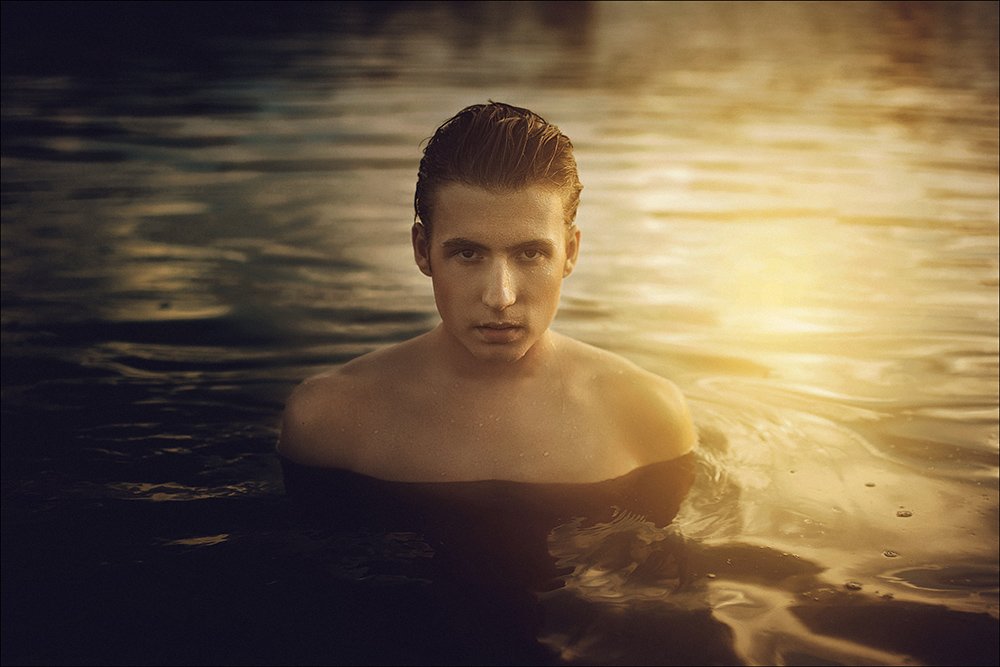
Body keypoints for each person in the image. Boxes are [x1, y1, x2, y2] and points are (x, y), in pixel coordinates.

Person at [277, 101, 696, 484]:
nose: (500, 297)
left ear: (570, 252)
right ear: (423, 251)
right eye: (467, 253)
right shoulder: (328, 420)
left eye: (530, 253)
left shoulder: (648, 417)